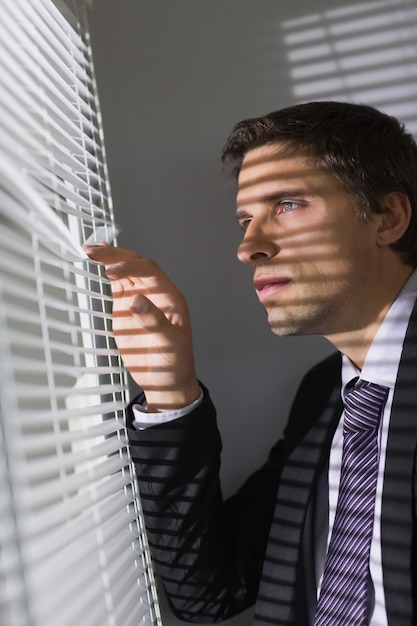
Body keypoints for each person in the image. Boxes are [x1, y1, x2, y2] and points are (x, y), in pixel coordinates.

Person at [85, 101, 417, 626]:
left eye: (286, 204)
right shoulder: (325, 396)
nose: (248, 247)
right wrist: (172, 390)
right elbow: (209, 592)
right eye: (246, 220)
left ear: (388, 217)